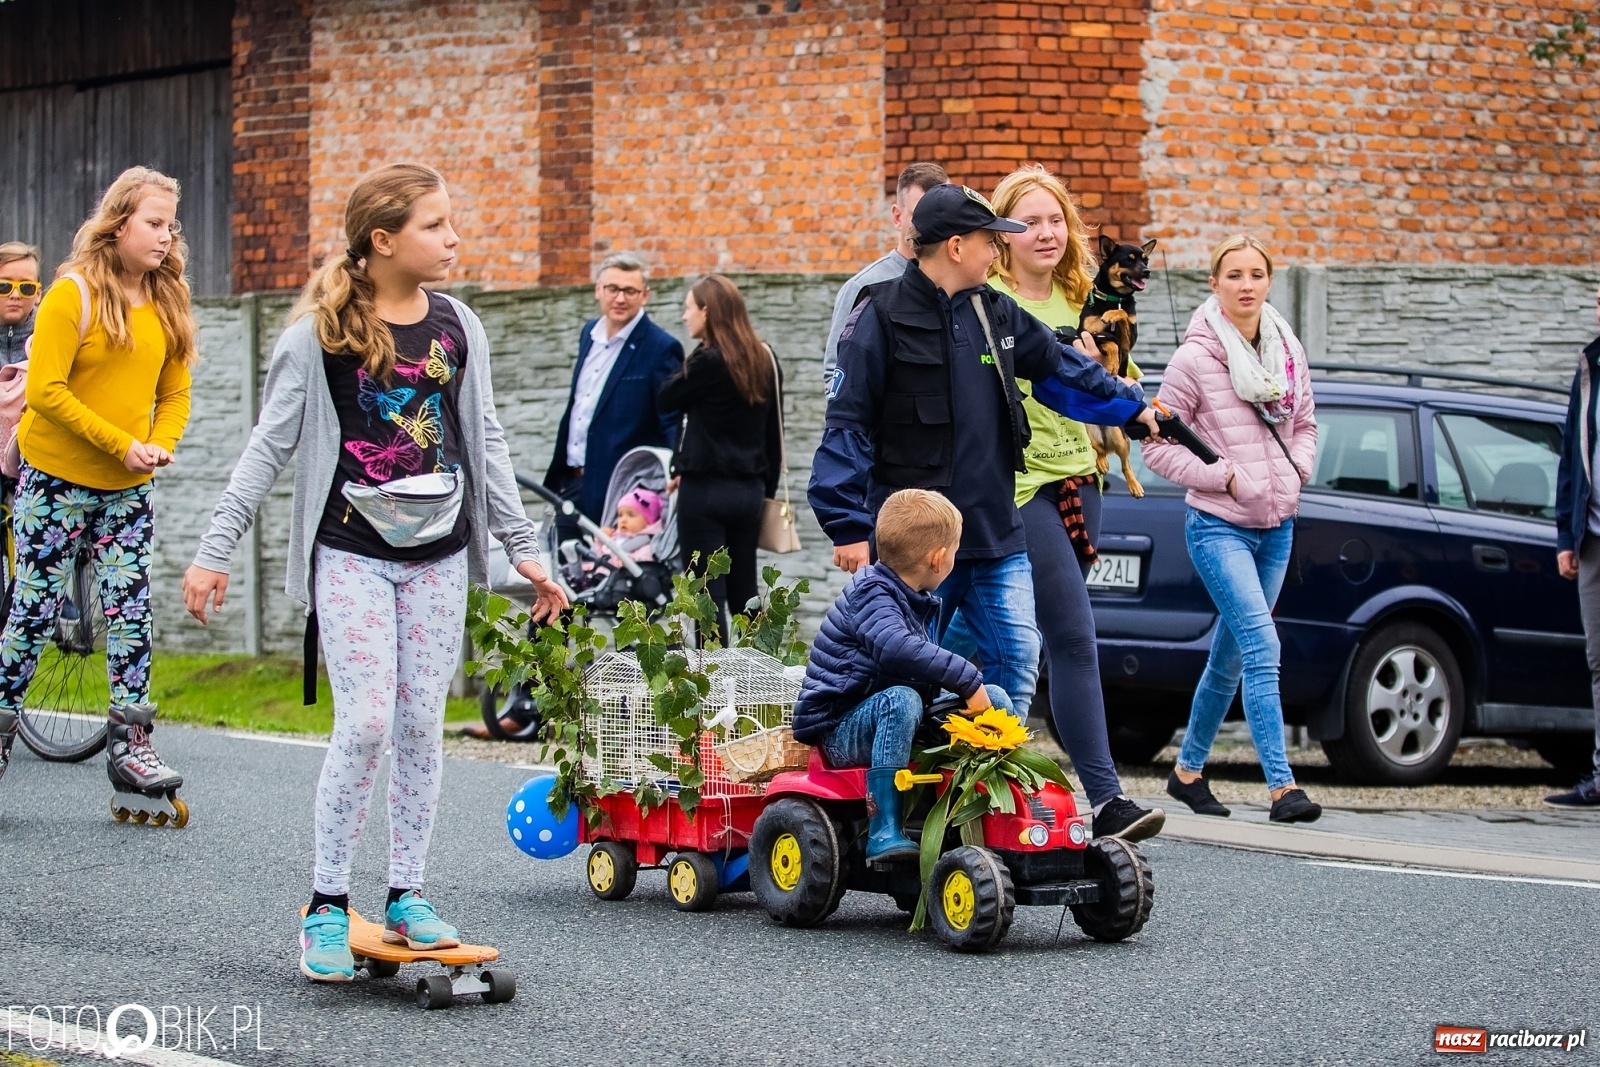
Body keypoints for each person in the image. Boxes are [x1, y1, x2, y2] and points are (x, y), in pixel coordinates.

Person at [181, 163, 568, 983]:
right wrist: (216, 548)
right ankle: (325, 902)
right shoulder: (317, 336)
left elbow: (486, 440)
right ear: (382, 240)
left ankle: (406, 893)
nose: (453, 237)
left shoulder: (460, 327)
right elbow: (267, 449)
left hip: (436, 558)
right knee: (364, 724)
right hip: (351, 554)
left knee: (422, 725)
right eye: (435, 224)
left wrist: (522, 547)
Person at [809, 182, 1157, 722]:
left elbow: (1062, 368)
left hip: (994, 524)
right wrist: (848, 525)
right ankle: (923, 788)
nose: (997, 251)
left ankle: (996, 784)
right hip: (915, 542)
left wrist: (1130, 407)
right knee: (908, 675)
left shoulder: (994, 311)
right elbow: (846, 425)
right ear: (955, 247)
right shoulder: (876, 315)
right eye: (988, 240)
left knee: (1018, 656)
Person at [983, 163, 1162, 841]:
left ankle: (980, 773)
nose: (1047, 232)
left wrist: (1136, 394)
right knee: (1071, 634)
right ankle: (1108, 797)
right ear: (1003, 232)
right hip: (1018, 486)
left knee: (1024, 642)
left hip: (1084, 480)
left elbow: (1121, 380)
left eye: (1057, 219)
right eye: (1030, 220)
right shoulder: (989, 300)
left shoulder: (1083, 295)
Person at [0, 169, 194, 792]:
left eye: (171, 225)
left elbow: (175, 391)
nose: (165, 236)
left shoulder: (167, 299)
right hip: (56, 479)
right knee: (31, 613)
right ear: (117, 225)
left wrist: (160, 447)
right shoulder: (71, 294)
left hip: (129, 487)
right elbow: (45, 391)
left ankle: (131, 747)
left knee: (131, 610)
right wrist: (121, 444)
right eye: (153, 223)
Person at [1141, 234, 1322, 823]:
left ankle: (1187, 772)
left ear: (1269, 281)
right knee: (1261, 643)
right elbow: (1157, 451)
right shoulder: (1194, 359)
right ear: (1214, 285)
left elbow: (1306, 423)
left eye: (1256, 274)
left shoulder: (1287, 351)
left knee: (1231, 655)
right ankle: (1282, 788)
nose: (1246, 285)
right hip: (1219, 527)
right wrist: (1221, 477)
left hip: (1278, 525)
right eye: (1233, 275)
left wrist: (1297, 473)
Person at [792, 488, 1010, 862]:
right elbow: (895, 648)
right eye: (956, 552)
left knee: (998, 699)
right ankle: (884, 828)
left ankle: (983, 808)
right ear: (939, 558)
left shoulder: (914, 596)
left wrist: (975, 691)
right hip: (840, 728)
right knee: (903, 699)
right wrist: (966, 681)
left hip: (892, 719)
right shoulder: (870, 593)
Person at [657, 274, 781, 629]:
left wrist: (701, 348)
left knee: (704, 598)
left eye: (688, 308)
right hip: (749, 493)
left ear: (707, 312)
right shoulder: (764, 358)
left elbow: (666, 397)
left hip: (705, 491)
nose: (684, 317)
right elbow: (774, 434)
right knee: (746, 595)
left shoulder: (707, 362)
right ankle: (760, 674)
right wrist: (764, 493)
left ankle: (709, 679)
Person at [546, 252, 683, 533]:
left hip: (622, 495)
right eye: (613, 289)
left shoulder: (661, 348)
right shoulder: (589, 334)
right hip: (570, 482)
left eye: (630, 291)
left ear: (645, 296)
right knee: (561, 566)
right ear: (598, 290)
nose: (620, 299)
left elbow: (670, 420)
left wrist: (676, 471)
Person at [822, 162, 947, 378]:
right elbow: (837, 372)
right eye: (920, 214)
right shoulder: (864, 287)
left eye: (943, 214)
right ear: (898, 217)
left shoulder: (958, 280)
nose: (934, 225)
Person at [1549, 280, 1600, 808]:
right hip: (1592, 537)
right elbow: (1571, 458)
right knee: (1598, 659)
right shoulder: (1589, 370)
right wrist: (1567, 533)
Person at [0, 241, 42, 366]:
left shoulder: (52, 337)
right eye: (4, 286)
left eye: (26, 287)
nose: (15, 295)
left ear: (38, 294)